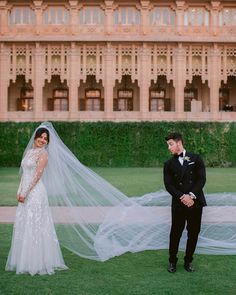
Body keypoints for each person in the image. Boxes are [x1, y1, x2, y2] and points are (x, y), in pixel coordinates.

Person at [6, 127, 68, 275]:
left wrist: (26, 193)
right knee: (25, 223)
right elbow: (24, 174)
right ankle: (24, 259)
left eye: (45, 139)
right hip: (25, 191)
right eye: (41, 137)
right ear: (35, 137)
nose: (43, 140)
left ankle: (38, 261)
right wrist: (19, 190)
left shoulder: (43, 154)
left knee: (35, 225)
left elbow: (37, 176)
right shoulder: (28, 152)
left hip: (35, 193)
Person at [164, 132, 206, 273]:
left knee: (193, 233)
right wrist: (183, 196)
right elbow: (168, 185)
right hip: (178, 203)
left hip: (195, 202)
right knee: (175, 233)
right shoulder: (168, 164)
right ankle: (172, 262)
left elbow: (201, 179)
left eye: (170, 144)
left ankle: (188, 261)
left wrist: (191, 196)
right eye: (168, 145)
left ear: (179, 142)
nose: (169, 148)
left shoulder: (196, 158)